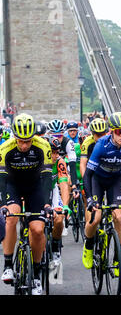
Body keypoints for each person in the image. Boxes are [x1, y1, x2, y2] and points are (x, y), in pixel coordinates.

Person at [82, 112, 121, 276]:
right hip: (97, 180)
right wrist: (90, 200)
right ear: (112, 131)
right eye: (118, 131)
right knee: (96, 218)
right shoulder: (101, 145)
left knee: (119, 217)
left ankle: (117, 258)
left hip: (115, 180)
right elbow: (87, 174)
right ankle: (88, 245)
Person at [0, 114, 53, 295]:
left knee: (38, 230)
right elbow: (1, 178)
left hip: (34, 187)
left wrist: (46, 204)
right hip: (12, 185)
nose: (24, 145)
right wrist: (3, 205)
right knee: (11, 218)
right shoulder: (5, 148)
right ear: (14, 136)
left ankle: (37, 275)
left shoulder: (42, 146)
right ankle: (7, 265)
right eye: (21, 141)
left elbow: (47, 177)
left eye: (28, 141)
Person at [47, 135, 71, 266]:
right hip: (35, 191)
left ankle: (55, 248)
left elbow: (63, 184)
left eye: (57, 152)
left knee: (59, 217)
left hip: (53, 190)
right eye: (52, 152)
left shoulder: (60, 162)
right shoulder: (37, 161)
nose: (55, 156)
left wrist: (66, 205)